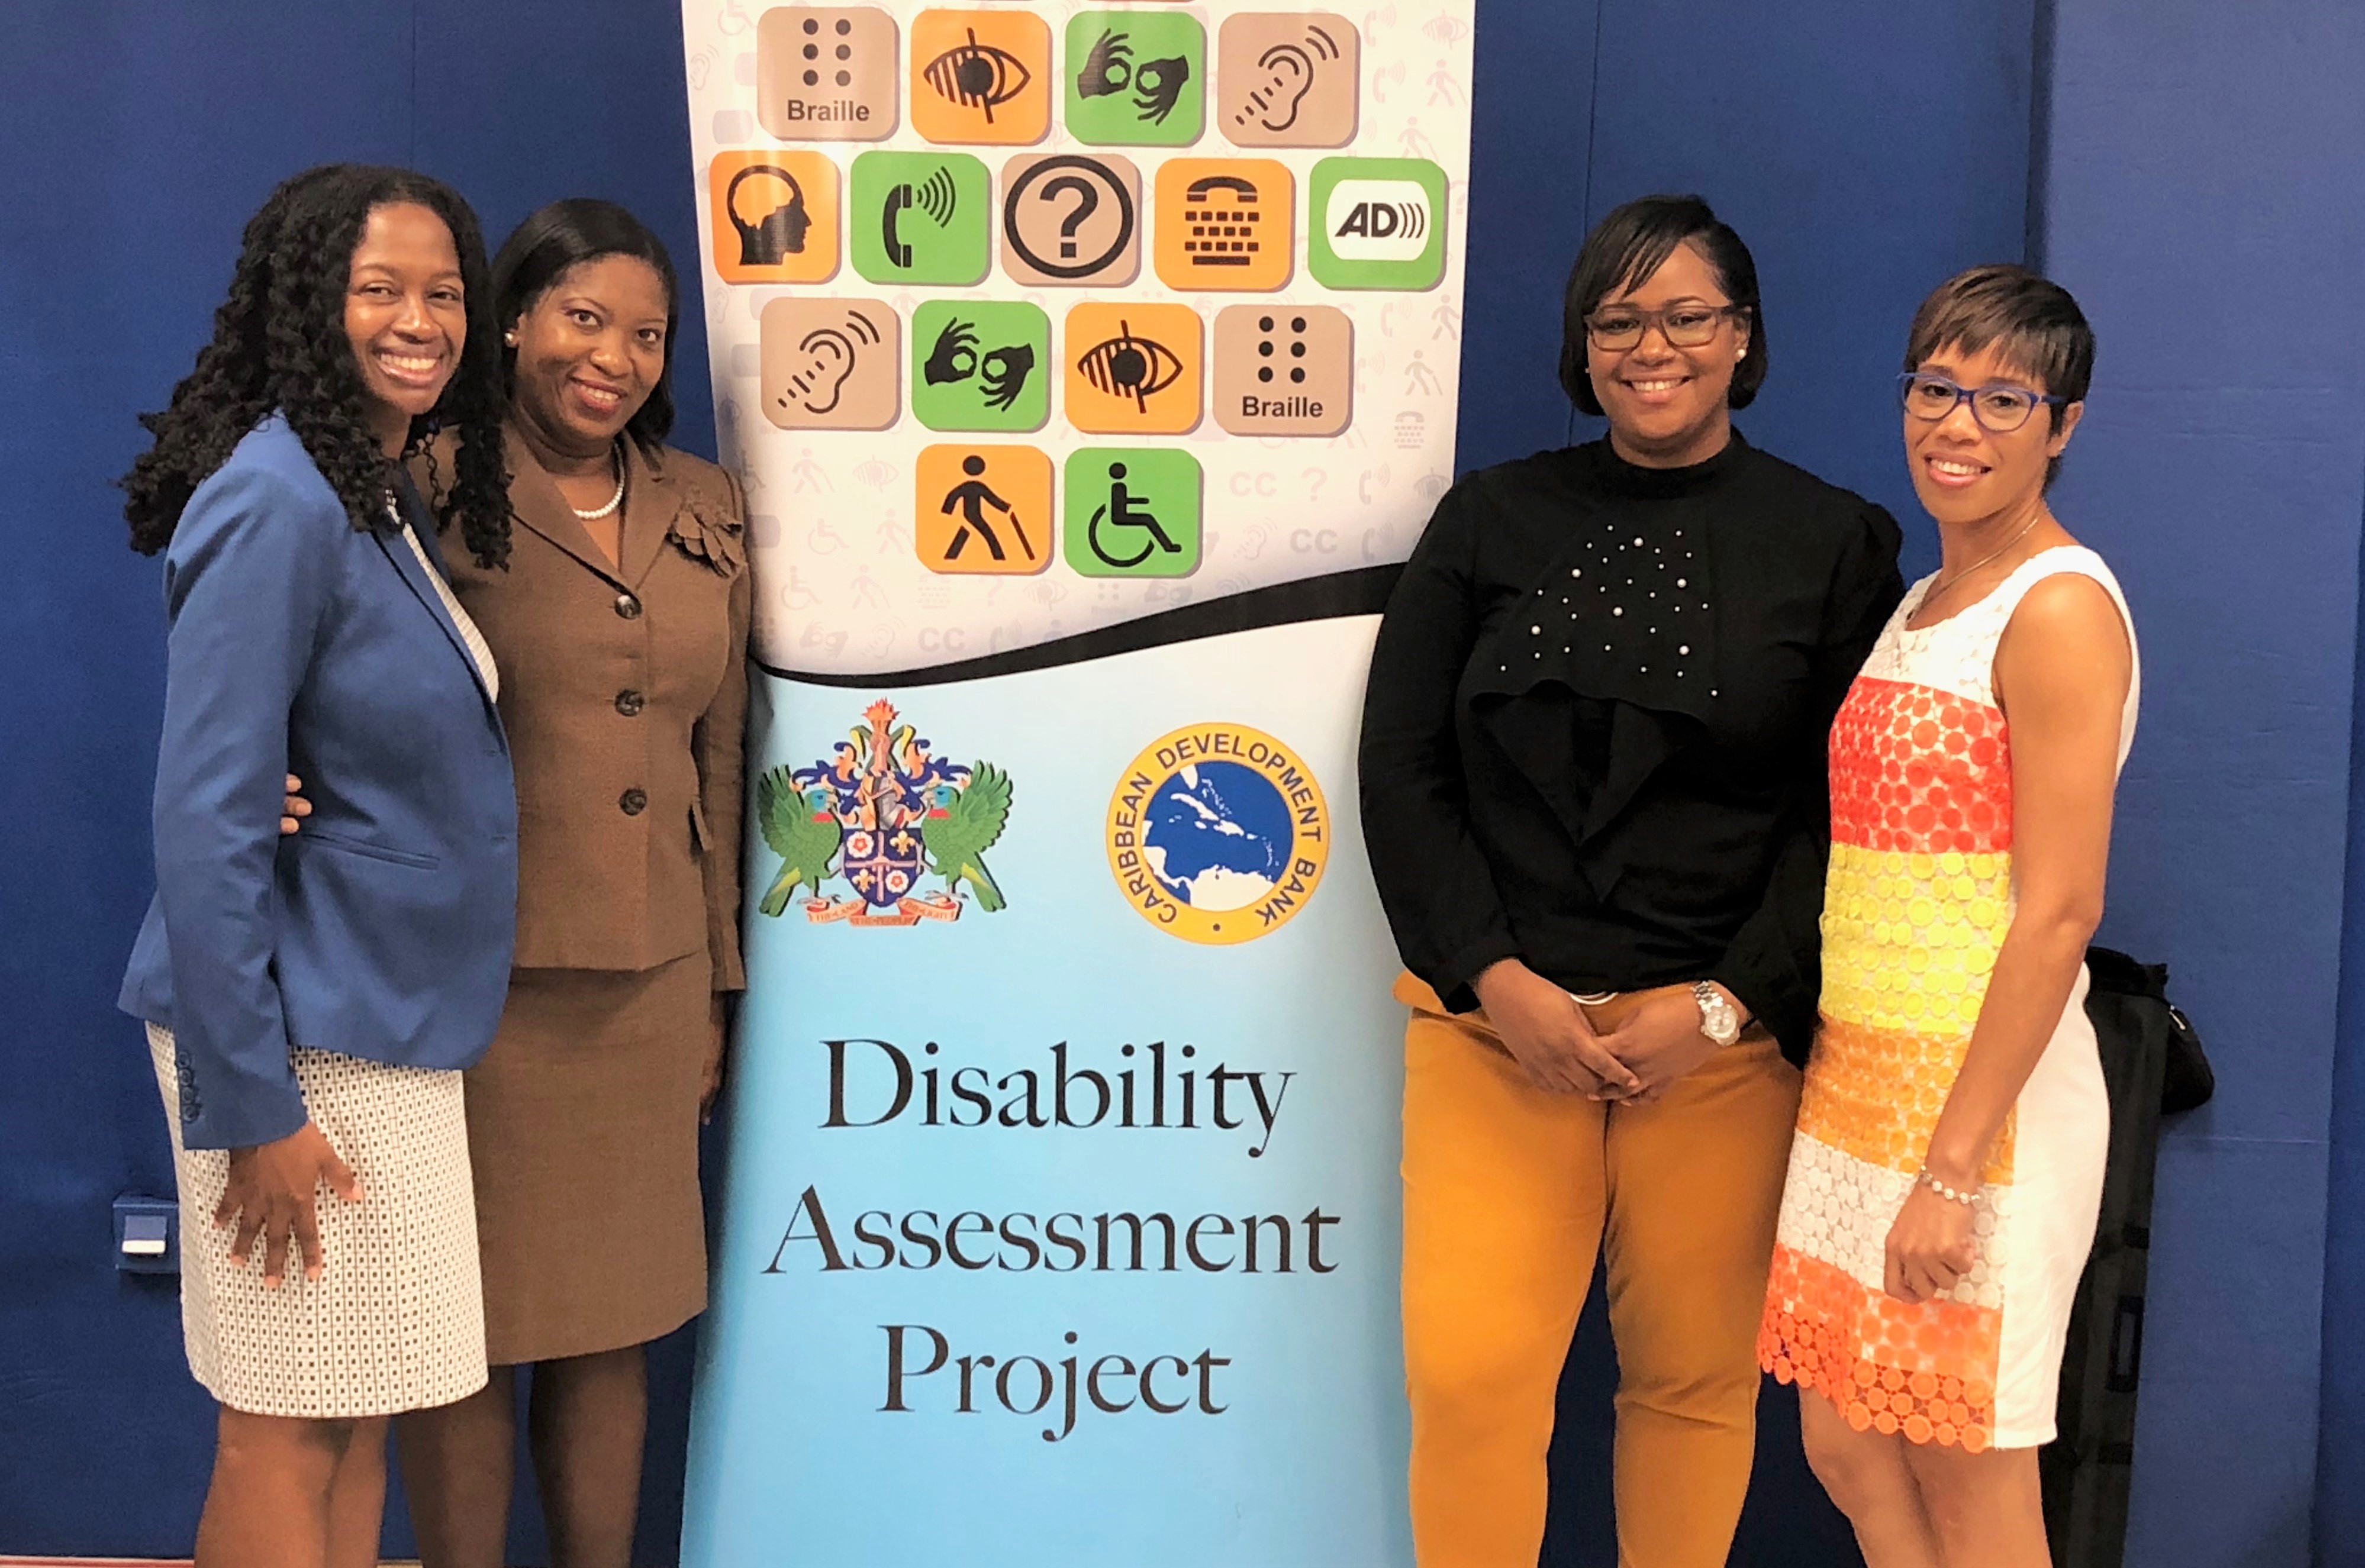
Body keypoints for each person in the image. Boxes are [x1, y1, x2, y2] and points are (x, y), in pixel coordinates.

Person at [1357, 193, 1905, 1568]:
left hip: (1720, 1046)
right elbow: (1402, 765)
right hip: (1495, 1030)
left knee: (1692, 1387)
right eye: (1618, 319)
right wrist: (1494, 975)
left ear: (1742, 337)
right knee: (1470, 1378)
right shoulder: (1489, 517)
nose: (1650, 345)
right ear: (1582, 343)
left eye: (1685, 314)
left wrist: (1726, 1003)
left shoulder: (1833, 542)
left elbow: (1847, 818)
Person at [115, 162, 514, 1568]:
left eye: (445, 292)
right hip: (297, 1036)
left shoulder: (367, 485)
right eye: (380, 290)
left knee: (352, 1407)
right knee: (281, 1423)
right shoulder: (277, 497)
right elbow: (207, 813)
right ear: (309, 305)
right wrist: (253, 1104)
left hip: (378, 1021)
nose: (422, 319)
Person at [391, 199, 750, 1568]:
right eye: (583, 318)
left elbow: (723, 764)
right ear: (517, 320)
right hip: (469, 986)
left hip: (649, 988)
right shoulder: (419, 480)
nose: (613, 357)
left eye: (645, 333)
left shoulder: (704, 502)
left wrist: (719, 985)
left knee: (616, 1324)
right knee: (464, 1332)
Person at [1760, 266, 2136, 1568]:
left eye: (2001, 397)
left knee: (1970, 1477)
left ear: (2063, 424)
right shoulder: (1923, 600)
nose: (1957, 425)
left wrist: (1953, 1165)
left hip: (1982, 1115)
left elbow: (2060, 909)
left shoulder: (2061, 608)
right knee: (1850, 1446)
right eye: (1935, 387)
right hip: (1861, 1085)